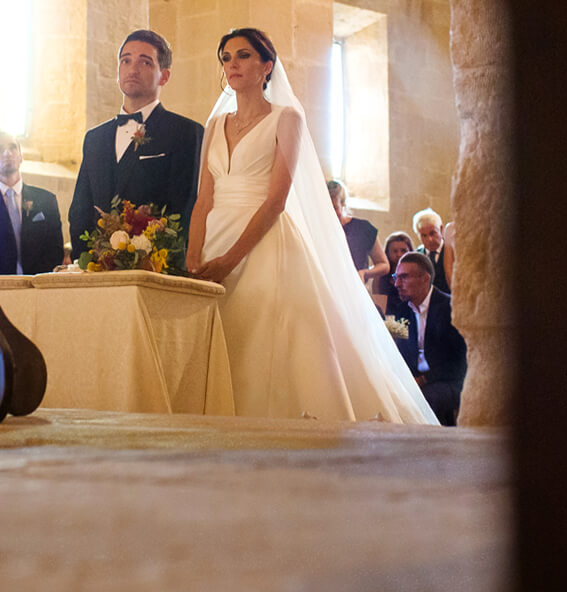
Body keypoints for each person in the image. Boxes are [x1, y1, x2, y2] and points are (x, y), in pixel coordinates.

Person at [186, 27, 436, 424]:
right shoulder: (215, 125)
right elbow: (203, 199)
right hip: (214, 237)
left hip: (264, 242)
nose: (232, 64)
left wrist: (229, 260)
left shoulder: (287, 118)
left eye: (244, 55)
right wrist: (193, 259)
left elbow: (276, 200)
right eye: (226, 57)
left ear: (267, 66)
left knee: (265, 340)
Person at [67, 30, 204, 261]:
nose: (133, 69)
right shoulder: (95, 138)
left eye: (145, 62)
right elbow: (81, 207)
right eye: (126, 60)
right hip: (96, 268)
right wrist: (88, 259)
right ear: (118, 72)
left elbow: (185, 206)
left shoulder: (185, 132)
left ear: (164, 76)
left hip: (154, 267)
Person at [385, 250, 468, 426]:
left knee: (426, 400)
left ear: (425, 278)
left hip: (448, 381)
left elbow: (460, 361)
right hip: (414, 380)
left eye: (404, 277)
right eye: (396, 277)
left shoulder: (451, 308)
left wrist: (423, 380)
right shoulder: (400, 310)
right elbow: (395, 352)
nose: (397, 284)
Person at [0, 131, 65, 276]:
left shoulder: (46, 200)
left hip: (36, 288)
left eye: (12, 147)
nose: (7, 153)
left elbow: (55, 250)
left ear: (20, 157)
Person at [328, 179, 389, 290]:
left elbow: (384, 264)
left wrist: (365, 273)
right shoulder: (323, 230)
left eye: (335, 208)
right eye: (327, 209)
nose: (331, 213)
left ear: (342, 204)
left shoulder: (363, 228)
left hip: (357, 290)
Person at [412, 207, 454, 294]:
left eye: (432, 233)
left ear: (441, 229)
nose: (429, 239)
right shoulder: (416, 256)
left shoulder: (451, 252)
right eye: (424, 235)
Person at [374, 230, 416, 313]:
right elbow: (378, 302)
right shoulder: (380, 276)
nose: (399, 255)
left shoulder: (416, 275)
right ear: (387, 253)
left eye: (403, 251)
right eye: (395, 251)